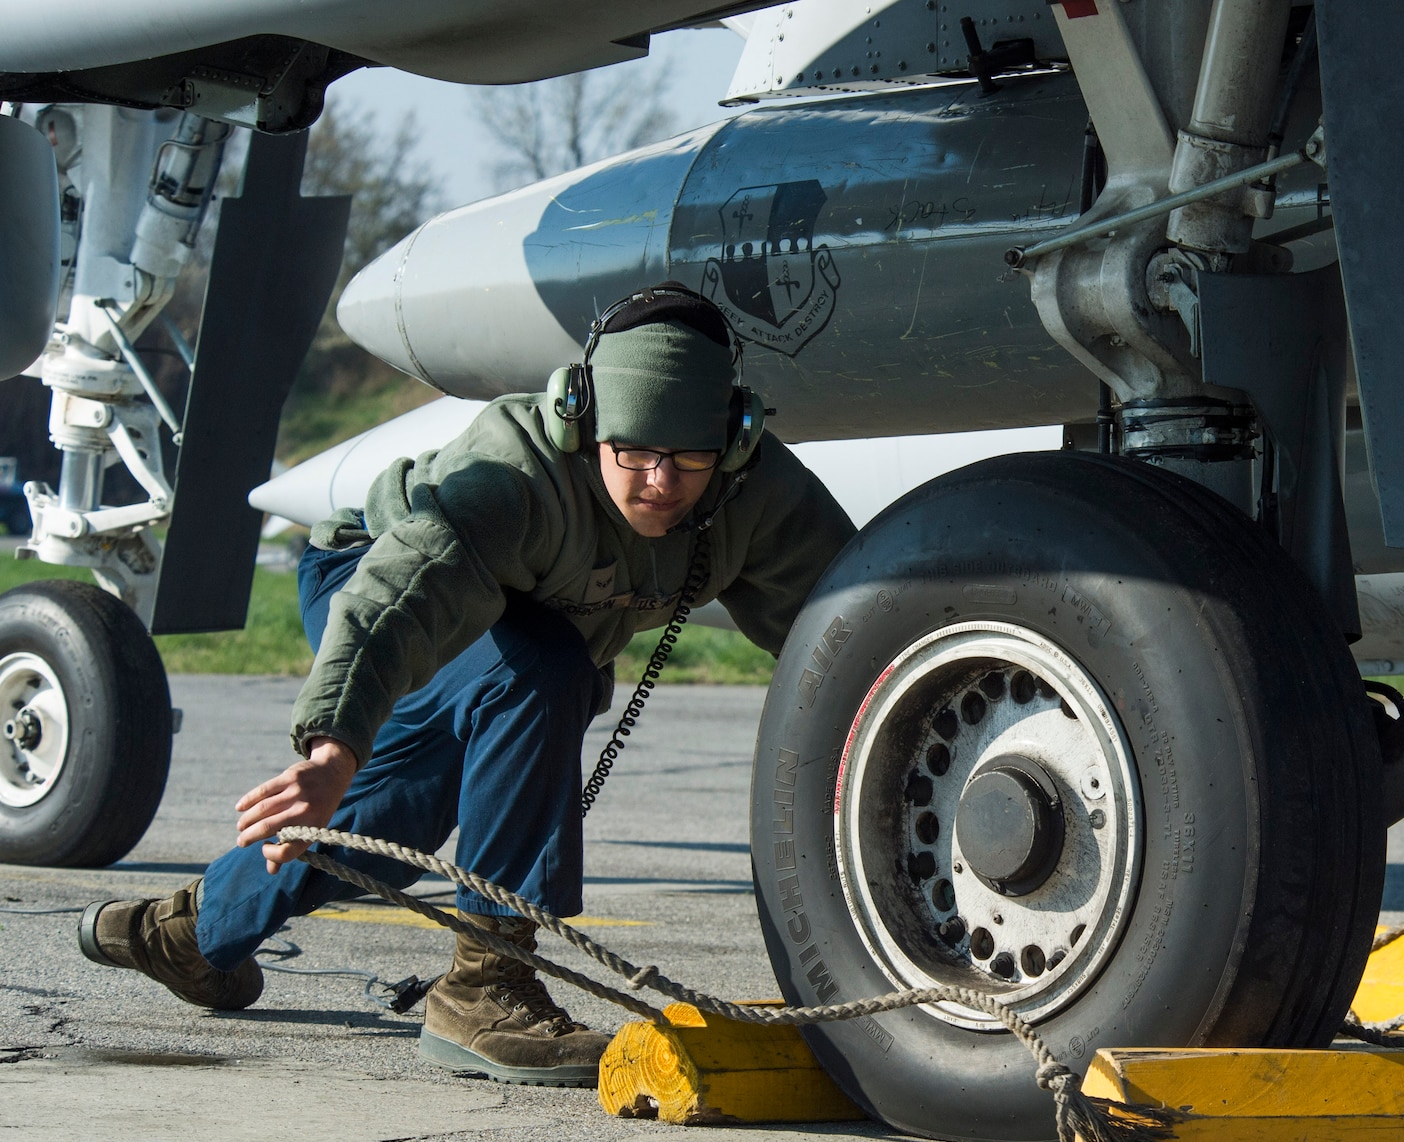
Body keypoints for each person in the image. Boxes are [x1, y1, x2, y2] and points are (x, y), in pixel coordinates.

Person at [76, 283, 856, 1086]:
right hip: (372, 580)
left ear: (735, 436)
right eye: (634, 451)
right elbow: (401, 594)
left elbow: (856, 616)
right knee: (542, 675)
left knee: (401, 815)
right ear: (581, 421)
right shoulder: (513, 471)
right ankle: (486, 986)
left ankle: (189, 934)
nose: (660, 480)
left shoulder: (755, 495)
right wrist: (333, 745)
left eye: (689, 455)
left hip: (508, 652)